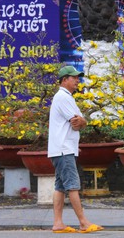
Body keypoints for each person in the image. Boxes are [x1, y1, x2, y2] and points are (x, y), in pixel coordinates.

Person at [47, 65, 104, 234]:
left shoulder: (64, 97)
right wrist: (83, 121)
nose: (77, 81)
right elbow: (76, 122)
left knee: (60, 186)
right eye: (74, 78)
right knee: (72, 186)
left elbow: (80, 121)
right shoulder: (63, 97)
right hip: (64, 150)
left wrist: (82, 121)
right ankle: (83, 223)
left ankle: (58, 223)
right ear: (65, 80)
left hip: (60, 149)